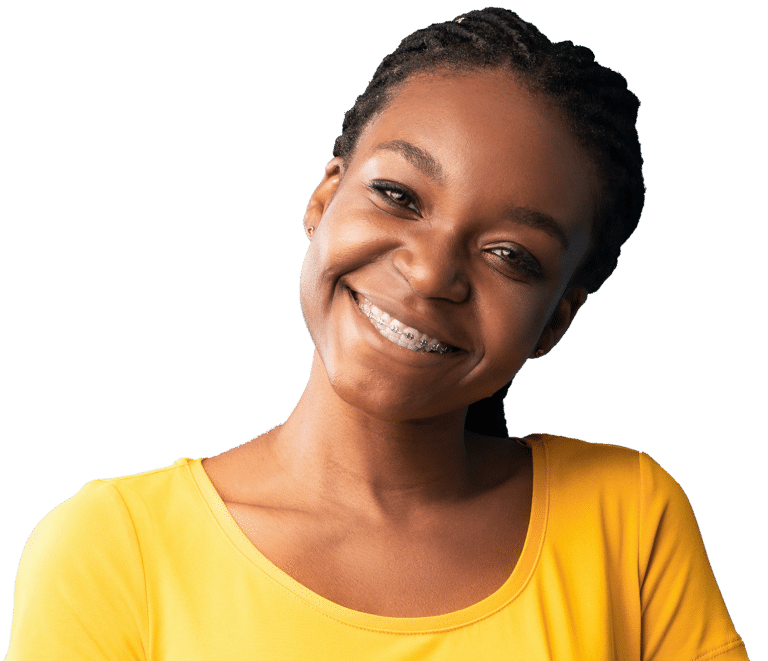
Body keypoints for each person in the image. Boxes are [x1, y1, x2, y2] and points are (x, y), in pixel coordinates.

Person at [4, 7, 749, 660]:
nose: (430, 274)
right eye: (398, 195)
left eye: (510, 256)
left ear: (555, 319)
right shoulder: (112, 550)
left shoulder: (628, 516)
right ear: (325, 197)